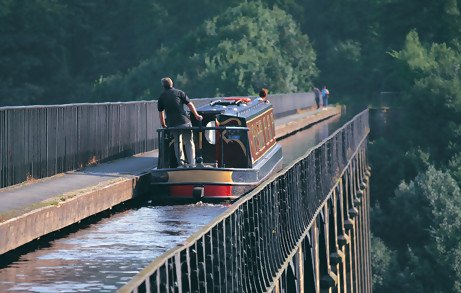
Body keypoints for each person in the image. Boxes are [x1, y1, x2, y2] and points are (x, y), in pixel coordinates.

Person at [158, 77, 203, 167]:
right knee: (189, 141)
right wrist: (196, 115)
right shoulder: (179, 92)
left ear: (163, 86)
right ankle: (192, 163)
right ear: (172, 84)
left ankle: (181, 163)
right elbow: (190, 104)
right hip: (185, 121)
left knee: (177, 142)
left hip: (173, 124)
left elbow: (161, 112)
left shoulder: (161, 97)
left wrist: (163, 124)